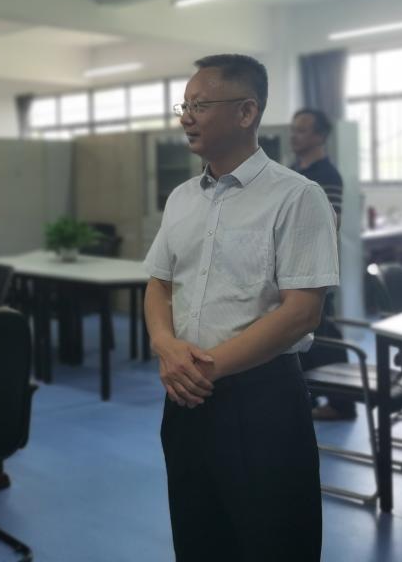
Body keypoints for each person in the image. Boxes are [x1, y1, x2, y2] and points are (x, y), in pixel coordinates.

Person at [144, 54, 339, 561]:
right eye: (184, 106)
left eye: (200, 105)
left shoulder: (297, 196)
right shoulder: (182, 198)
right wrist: (165, 346)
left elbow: (302, 312)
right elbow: (159, 283)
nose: (186, 117)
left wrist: (201, 368)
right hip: (185, 397)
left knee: (274, 542)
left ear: (246, 112)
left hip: (261, 400)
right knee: (198, 536)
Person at [290, 108, 355, 421]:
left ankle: (343, 403)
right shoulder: (292, 170)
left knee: (323, 335)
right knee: (302, 338)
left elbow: (331, 221)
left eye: (302, 130)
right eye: (294, 129)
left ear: (320, 136)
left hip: (314, 267)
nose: (294, 135)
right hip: (290, 267)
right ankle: (310, 398)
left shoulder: (327, 174)